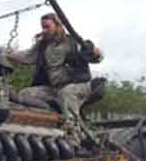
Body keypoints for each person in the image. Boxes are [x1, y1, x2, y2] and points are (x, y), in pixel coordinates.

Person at [7, 13, 103, 143]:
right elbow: (27, 56)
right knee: (25, 94)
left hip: (78, 85)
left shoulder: (73, 42)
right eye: (43, 27)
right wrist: (7, 56)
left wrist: (96, 53)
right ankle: (41, 130)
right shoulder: (43, 45)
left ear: (57, 26)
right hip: (54, 88)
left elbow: (97, 57)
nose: (44, 30)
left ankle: (75, 139)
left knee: (66, 94)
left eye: (47, 27)